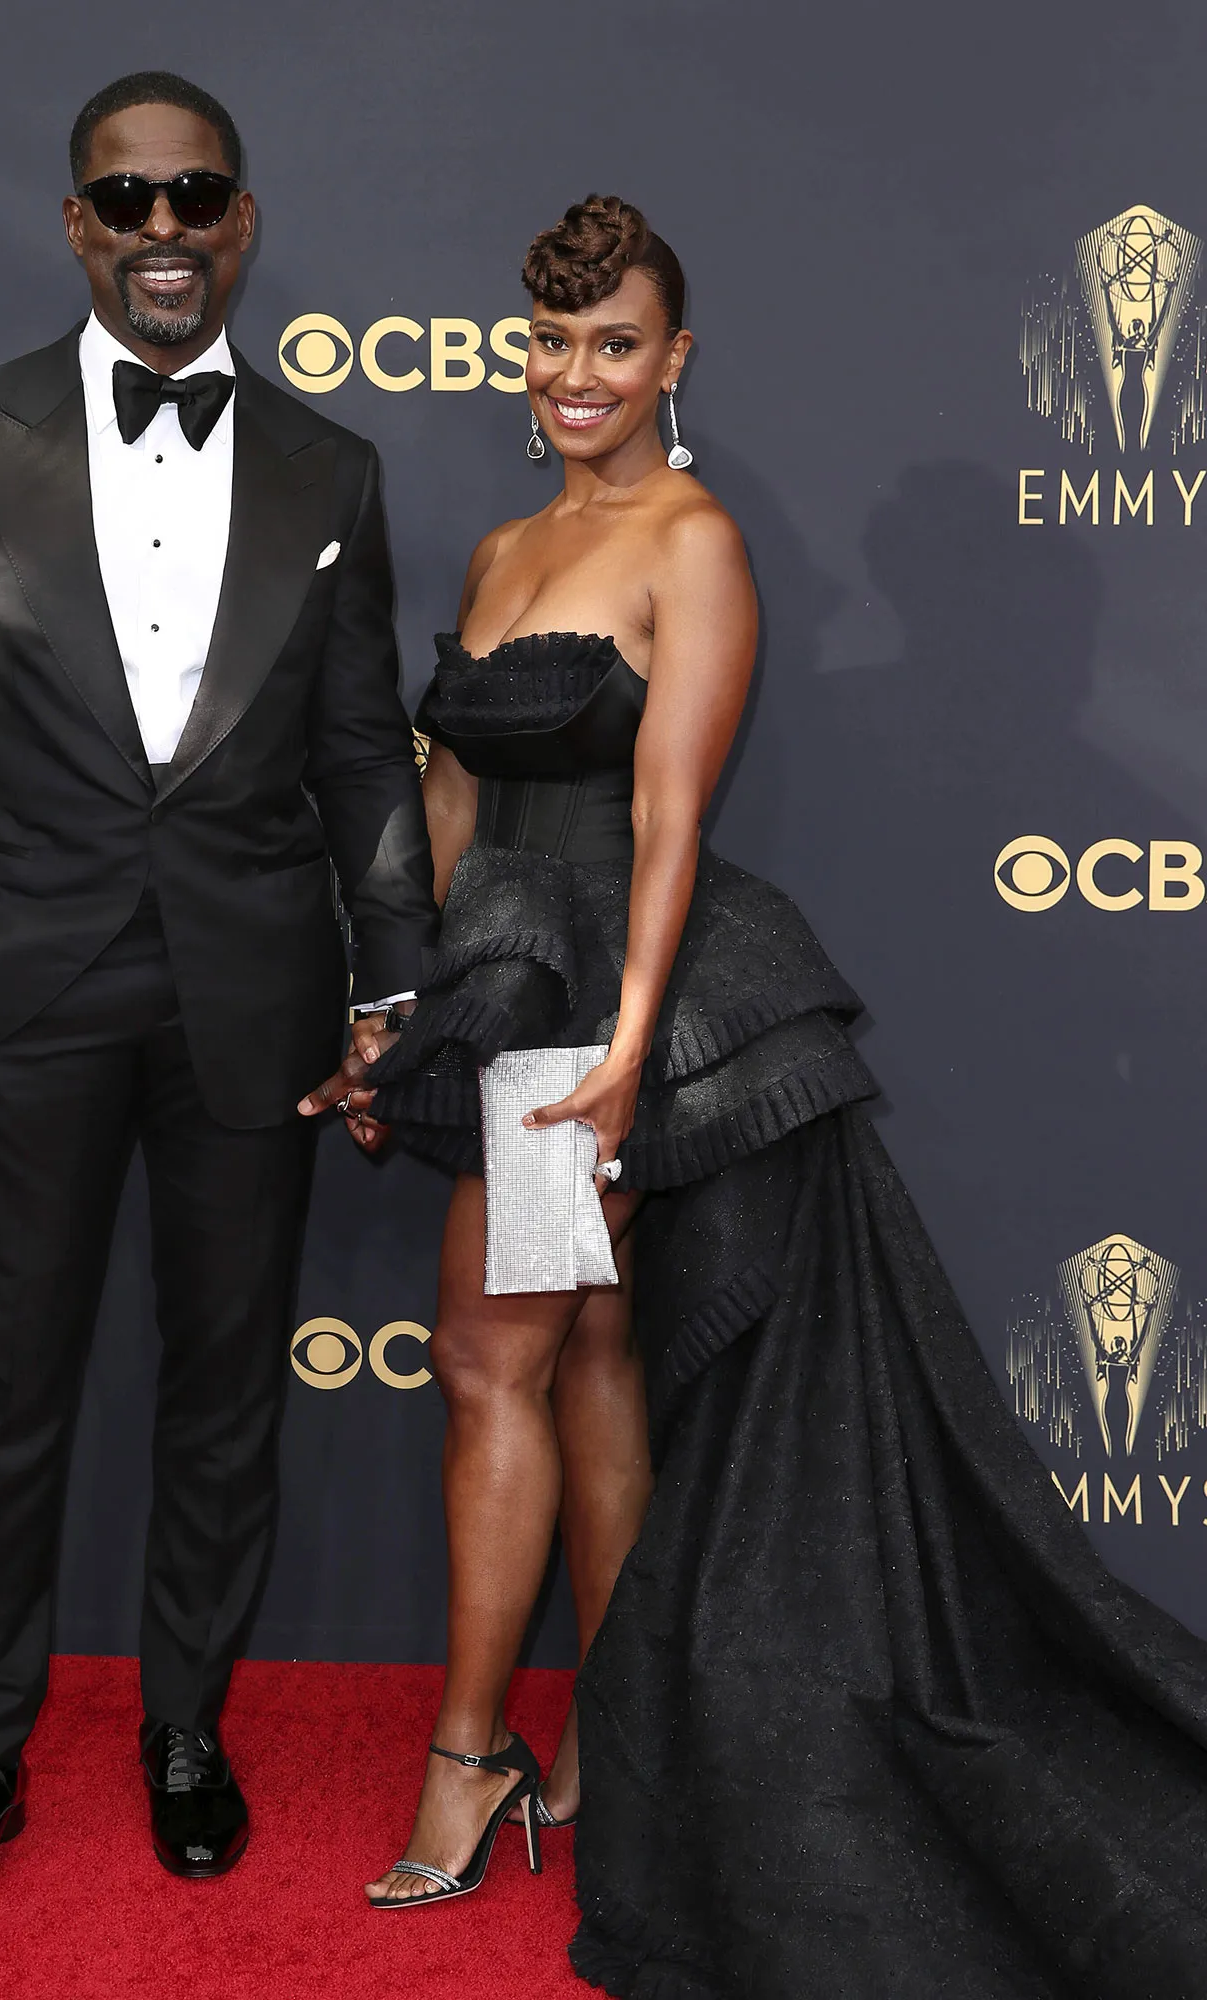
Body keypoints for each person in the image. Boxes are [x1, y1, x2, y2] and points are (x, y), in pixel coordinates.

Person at [309, 196, 1207, 1994]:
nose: (575, 375)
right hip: (507, 997)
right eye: (551, 341)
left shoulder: (692, 542)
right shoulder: (502, 548)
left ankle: (473, 1761)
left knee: (489, 1361)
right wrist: (396, 1016)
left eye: (613, 344)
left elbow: (669, 816)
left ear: (675, 358)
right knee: (584, 1357)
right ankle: (623, 1745)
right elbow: (456, 800)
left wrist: (629, 1049)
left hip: (604, 1015)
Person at [0, 71, 436, 1930]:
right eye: (130, 199)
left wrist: (394, 970)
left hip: (256, 987)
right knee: (3, 1392)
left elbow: (362, 751)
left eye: (199, 196)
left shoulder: (334, 466)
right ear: (78, 224)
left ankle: (184, 1732)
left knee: (227, 1386)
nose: (167, 230)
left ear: (243, 223)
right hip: (25, 981)